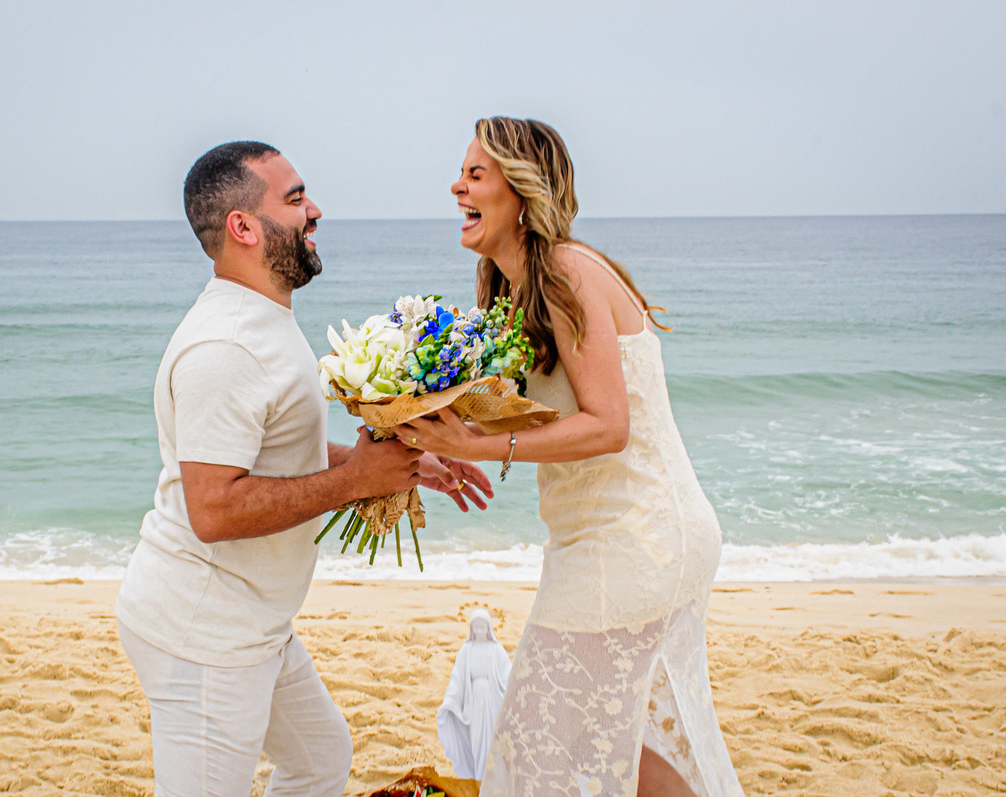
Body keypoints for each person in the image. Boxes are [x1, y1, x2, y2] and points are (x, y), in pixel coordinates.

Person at [114, 140, 492, 797]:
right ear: (243, 226)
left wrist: (402, 465)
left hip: (254, 621)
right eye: (294, 199)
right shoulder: (226, 347)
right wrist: (356, 480)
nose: (314, 211)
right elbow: (214, 508)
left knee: (320, 757)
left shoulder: (262, 320)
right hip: (204, 632)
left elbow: (274, 454)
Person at [396, 118, 745, 796]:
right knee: (618, 739)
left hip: (634, 536)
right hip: (606, 536)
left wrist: (479, 444)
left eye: (476, 174)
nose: (456, 185)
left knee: (536, 745)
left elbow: (609, 425)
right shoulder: (504, 286)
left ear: (520, 191)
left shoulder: (565, 269)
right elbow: (524, 411)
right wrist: (432, 442)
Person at [437, 608, 512, 781]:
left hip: (491, 700)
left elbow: (507, 675)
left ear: (489, 628)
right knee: (476, 741)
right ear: (471, 629)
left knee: (490, 739)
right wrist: (450, 700)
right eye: (476, 627)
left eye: (482, 627)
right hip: (474, 703)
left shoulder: (496, 649)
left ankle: (489, 778)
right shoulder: (466, 650)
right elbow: (458, 679)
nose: (479, 631)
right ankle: (478, 776)